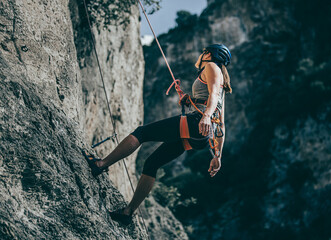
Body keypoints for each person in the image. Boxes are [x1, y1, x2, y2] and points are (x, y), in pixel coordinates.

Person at [83, 44, 232, 225]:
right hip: (203, 137)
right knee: (152, 163)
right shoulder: (222, 81)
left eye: (203, 52)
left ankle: (100, 164)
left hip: (197, 123)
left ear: (208, 54)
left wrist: (206, 116)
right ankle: (127, 212)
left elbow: (213, 94)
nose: (201, 55)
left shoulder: (211, 66)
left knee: (142, 133)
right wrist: (218, 155)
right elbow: (221, 122)